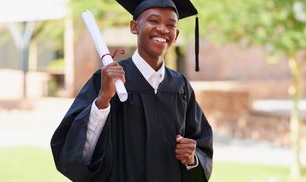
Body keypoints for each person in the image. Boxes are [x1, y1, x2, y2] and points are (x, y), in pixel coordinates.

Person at [50, 0, 213, 181]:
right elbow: (77, 151)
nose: (163, 29)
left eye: (170, 25)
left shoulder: (180, 87)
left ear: (176, 35)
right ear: (134, 27)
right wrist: (103, 99)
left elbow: (201, 146)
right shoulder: (106, 80)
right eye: (153, 21)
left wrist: (192, 158)